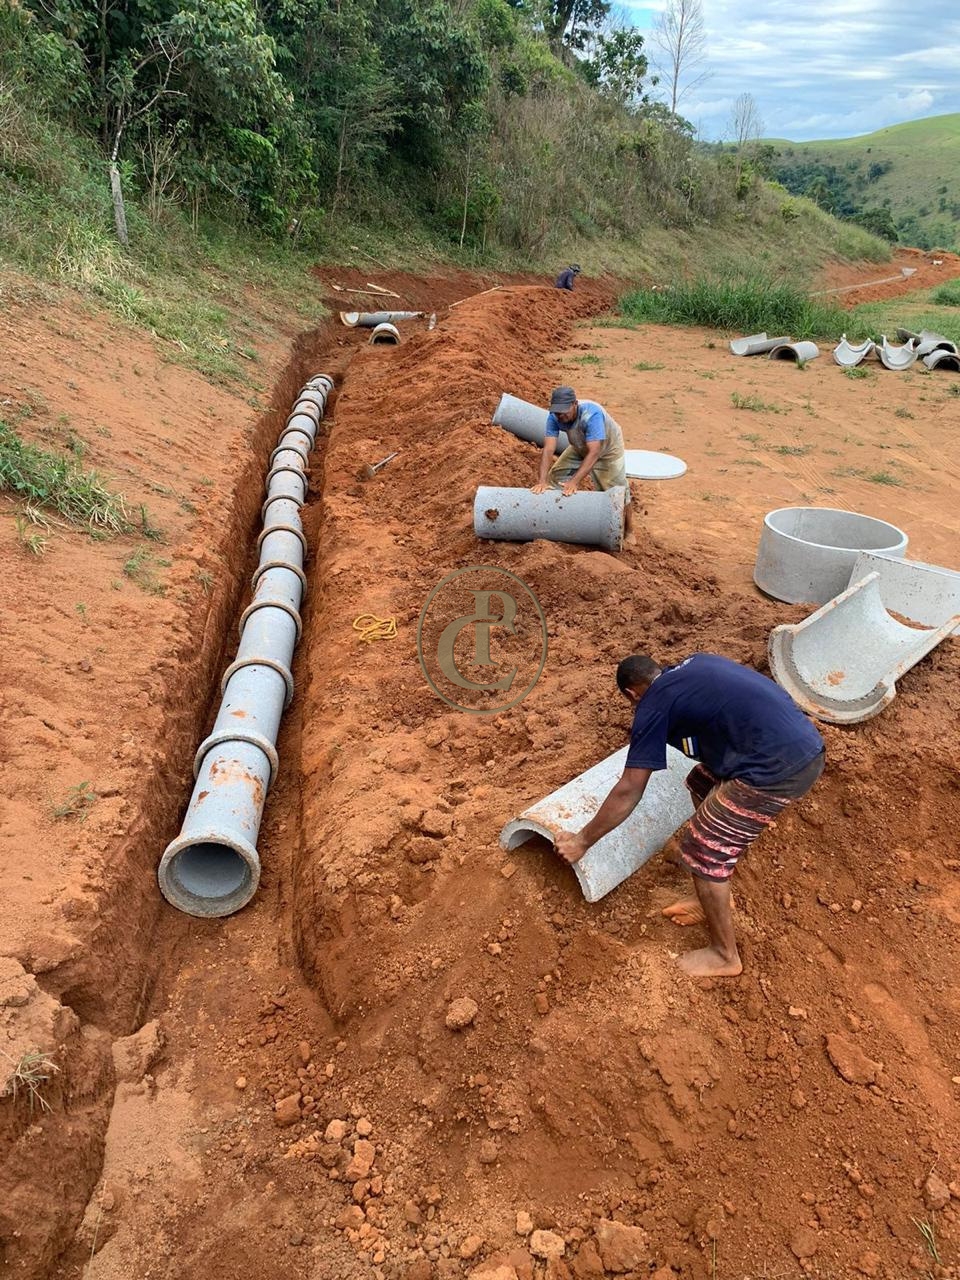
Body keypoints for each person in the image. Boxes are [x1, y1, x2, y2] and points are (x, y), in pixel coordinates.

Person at [554, 653, 826, 978]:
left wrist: (581, 842)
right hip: (798, 747)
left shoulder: (652, 703)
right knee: (701, 781)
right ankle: (710, 894)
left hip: (776, 768)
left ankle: (724, 955)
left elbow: (630, 788)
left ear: (631, 694)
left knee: (702, 848)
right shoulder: (693, 666)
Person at [532, 386, 635, 541]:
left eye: (564, 411)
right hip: (579, 445)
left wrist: (574, 482)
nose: (560, 416)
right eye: (557, 412)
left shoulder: (591, 414)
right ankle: (559, 516)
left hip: (608, 449)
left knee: (617, 489)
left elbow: (594, 452)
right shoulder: (554, 417)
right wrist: (542, 481)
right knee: (555, 475)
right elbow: (548, 449)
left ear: (575, 404)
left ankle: (629, 531)